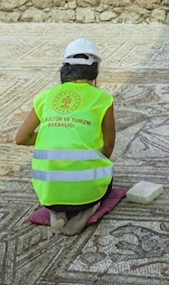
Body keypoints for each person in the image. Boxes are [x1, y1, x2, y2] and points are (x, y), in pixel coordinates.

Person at [15, 38, 116, 236]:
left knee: (55, 183)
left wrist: (52, 130)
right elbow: (108, 147)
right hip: (86, 192)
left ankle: (55, 211)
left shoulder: (46, 96)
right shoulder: (103, 99)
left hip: (49, 193)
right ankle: (87, 209)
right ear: (94, 70)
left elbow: (21, 138)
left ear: (65, 70)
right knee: (107, 175)